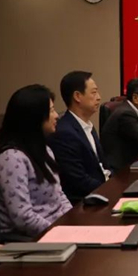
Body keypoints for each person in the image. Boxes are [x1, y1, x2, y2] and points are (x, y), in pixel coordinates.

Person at [0, 85, 72, 238]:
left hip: (58, 232)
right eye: (51, 111)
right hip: (32, 240)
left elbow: (59, 195)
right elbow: (22, 218)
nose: (57, 116)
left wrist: (73, 222)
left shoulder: (44, 149)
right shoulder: (11, 159)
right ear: (34, 118)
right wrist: (59, 233)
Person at [48, 71, 110, 202]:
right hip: (84, 202)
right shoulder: (64, 133)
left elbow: (103, 167)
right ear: (77, 96)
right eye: (93, 93)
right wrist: (112, 189)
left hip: (101, 192)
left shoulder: (87, 125)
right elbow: (78, 180)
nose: (99, 97)